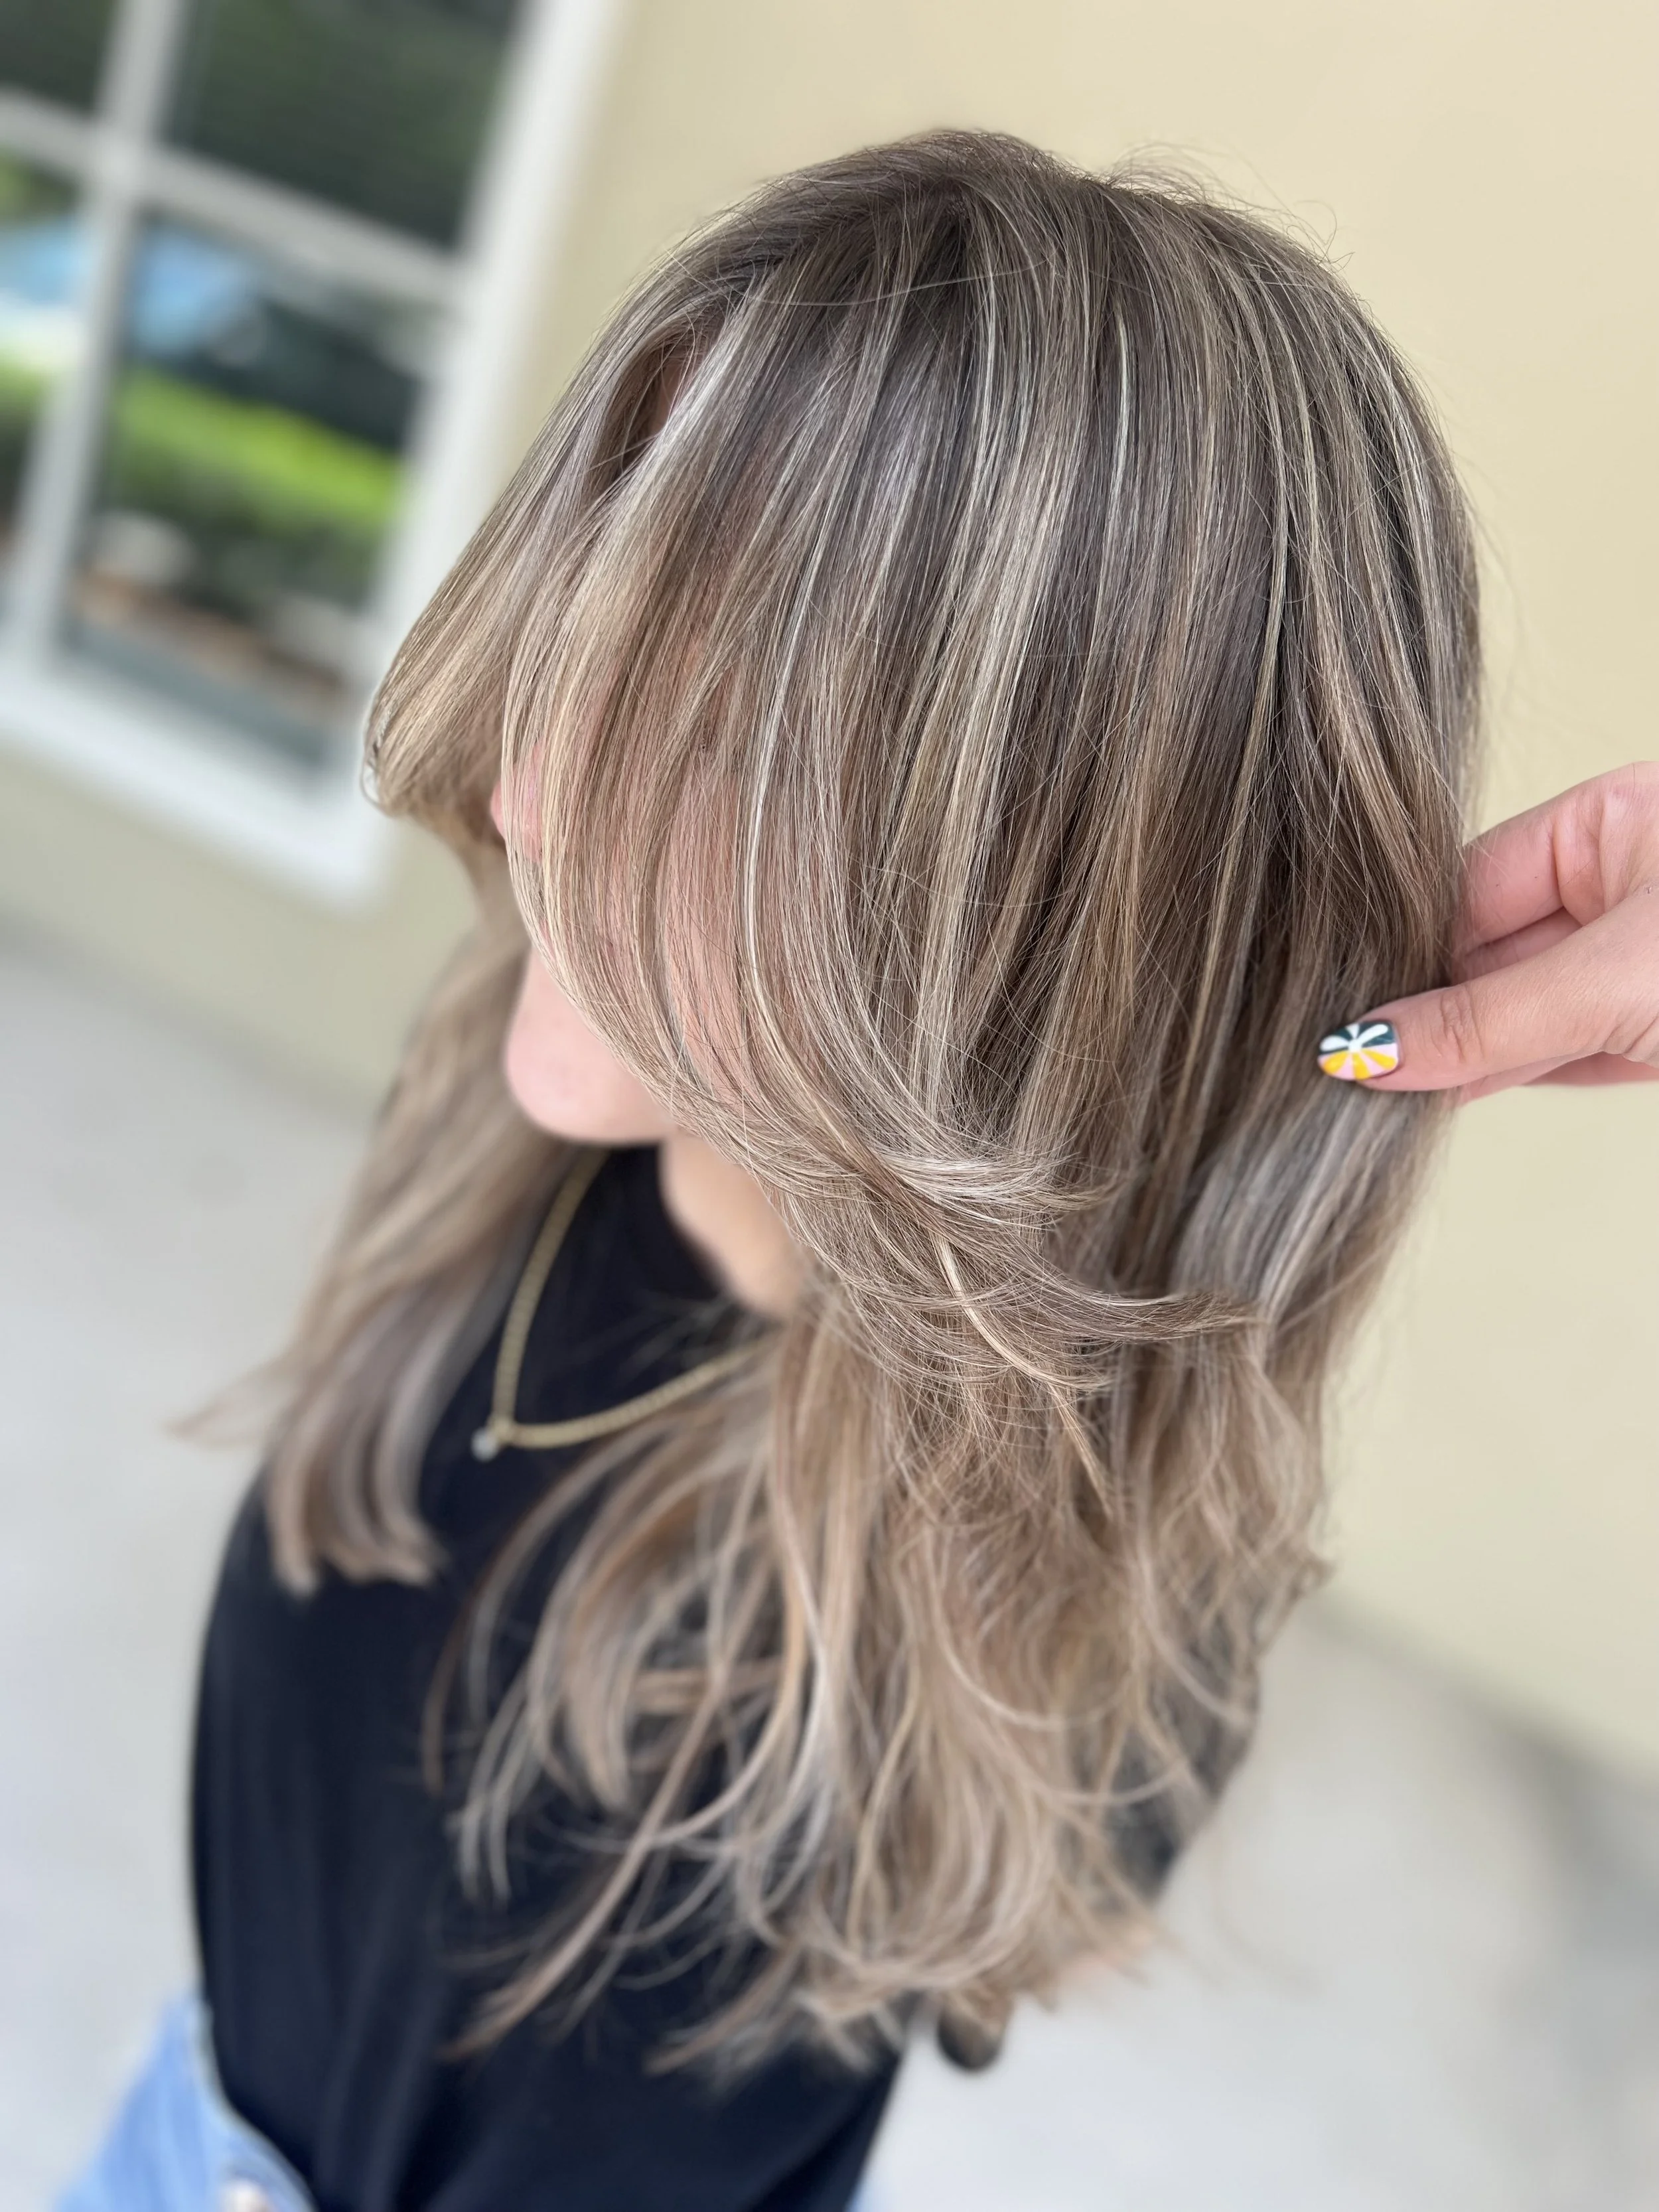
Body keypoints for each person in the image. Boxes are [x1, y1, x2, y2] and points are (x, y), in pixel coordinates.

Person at [53, 129, 1654, 2212]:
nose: (526, 781)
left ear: (1051, 918)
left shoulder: (1071, 1597)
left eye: (716, 748)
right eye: (576, 641)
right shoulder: (494, 1142)